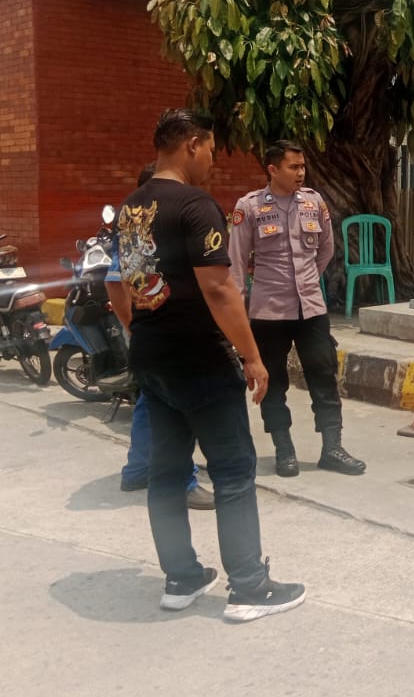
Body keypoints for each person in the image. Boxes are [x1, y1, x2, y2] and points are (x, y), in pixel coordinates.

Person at [107, 109, 304, 621]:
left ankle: (181, 577)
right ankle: (249, 586)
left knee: (167, 472)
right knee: (234, 470)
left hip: (151, 356)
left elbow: (128, 284)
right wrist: (253, 356)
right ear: (192, 144)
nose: (213, 160)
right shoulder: (196, 205)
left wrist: (144, 332)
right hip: (198, 358)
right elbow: (218, 287)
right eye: (212, 149)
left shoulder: (131, 207)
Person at [229, 141, 365, 478]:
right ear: (272, 169)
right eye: (293, 167)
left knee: (324, 376)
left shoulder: (314, 202)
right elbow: (236, 263)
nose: (301, 172)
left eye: (302, 166)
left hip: (311, 309)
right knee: (273, 383)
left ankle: (332, 448)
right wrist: (237, 316)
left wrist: (305, 280)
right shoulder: (250, 207)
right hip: (268, 312)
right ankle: (284, 449)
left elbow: (326, 249)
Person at [107, 162, 213, 510]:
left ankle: (138, 470)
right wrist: (133, 326)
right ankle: (184, 481)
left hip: (156, 333)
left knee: (150, 403)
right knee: (180, 407)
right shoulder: (138, 228)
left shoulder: (145, 225)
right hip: (164, 334)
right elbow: (114, 283)